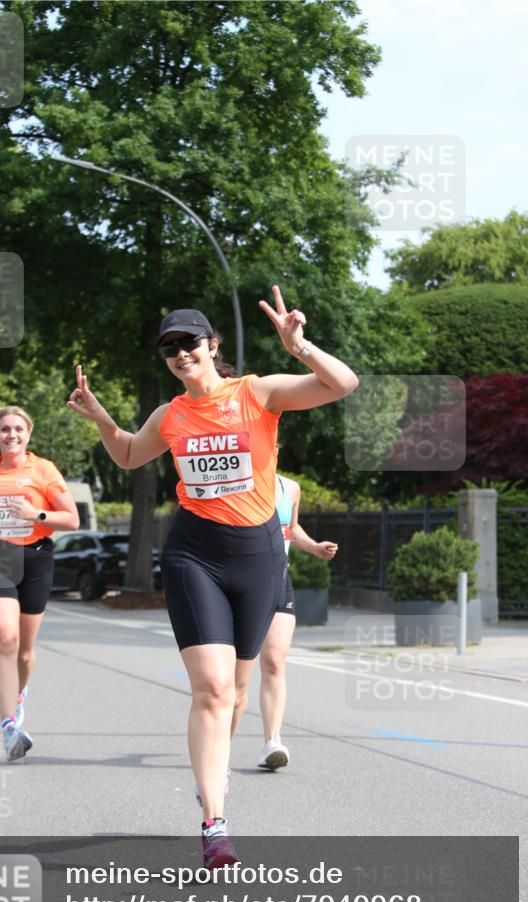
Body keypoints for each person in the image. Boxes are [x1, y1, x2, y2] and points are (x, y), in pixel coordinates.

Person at [68, 285, 358, 869]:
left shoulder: (257, 393)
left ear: (212, 344)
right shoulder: (170, 415)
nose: (180, 353)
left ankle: (216, 778)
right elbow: (127, 454)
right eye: (169, 347)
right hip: (194, 553)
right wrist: (102, 419)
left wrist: (300, 346)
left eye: (189, 342)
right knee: (213, 688)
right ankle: (215, 822)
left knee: (239, 689)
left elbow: (342, 384)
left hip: (257, 555)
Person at [0, 406, 79, 761]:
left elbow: (72, 519)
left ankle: (20, 693)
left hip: (36, 558)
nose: (11, 435)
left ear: (28, 434)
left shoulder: (43, 470)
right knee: (6, 638)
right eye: (4, 430)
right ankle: (9, 726)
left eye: (17, 429)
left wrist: (37, 515)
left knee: (25, 651)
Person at [232, 473, 338, 770]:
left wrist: (315, 547)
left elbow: (291, 529)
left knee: (275, 661)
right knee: (237, 680)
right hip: (243, 584)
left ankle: (272, 742)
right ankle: (217, 749)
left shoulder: (289, 488)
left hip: (279, 580)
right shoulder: (237, 480)